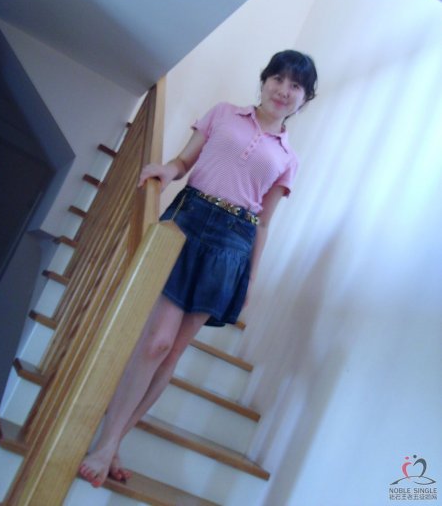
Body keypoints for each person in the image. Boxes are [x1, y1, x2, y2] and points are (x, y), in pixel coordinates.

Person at [79, 49, 318, 487]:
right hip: (188, 220)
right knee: (155, 342)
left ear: (305, 99)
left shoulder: (288, 158)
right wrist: (165, 171)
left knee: (172, 354)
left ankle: (112, 442)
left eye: (296, 86)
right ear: (264, 80)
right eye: (278, 79)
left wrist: (251, 278)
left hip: (232, 244)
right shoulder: (223, 113)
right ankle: (108, 442)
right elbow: (184, 162)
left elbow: (264, 222)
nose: (284, 90)